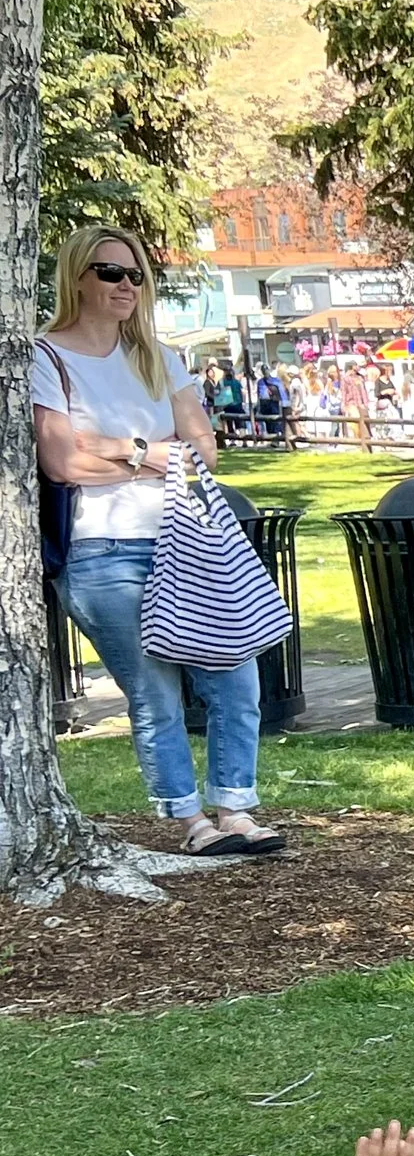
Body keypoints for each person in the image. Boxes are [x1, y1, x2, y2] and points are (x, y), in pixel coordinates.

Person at [33, 227, 281, 858]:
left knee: (235, 676)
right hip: (100, 550)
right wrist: (148, 452)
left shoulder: (158, 357)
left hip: (187, 543)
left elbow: (204, 453)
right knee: (153, 690)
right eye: (111, 272)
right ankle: (189, 820)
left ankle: (235, 806)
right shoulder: (46, 357)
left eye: (136, 275)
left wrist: (114, 447)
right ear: (78, 277)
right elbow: (64, 463)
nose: (125, 286)